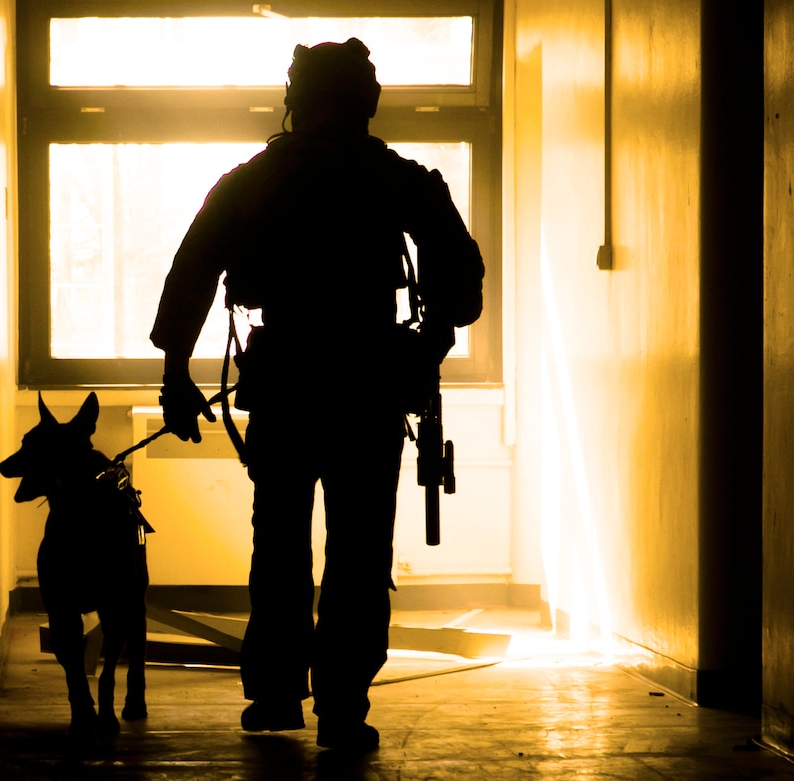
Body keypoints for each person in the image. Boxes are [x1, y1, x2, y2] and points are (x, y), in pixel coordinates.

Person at [149, 38, 484, 752]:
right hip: (365, 383)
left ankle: (282, 694)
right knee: (356, 550)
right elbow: (461, 286)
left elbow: (193, 272)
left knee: (282, 544)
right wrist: (429, 341)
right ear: (366, 103)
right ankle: (340, 703)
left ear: (295, 101)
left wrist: (176, 373)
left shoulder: (254, 181)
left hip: (291, 382)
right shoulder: (396, 180)